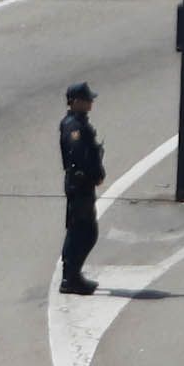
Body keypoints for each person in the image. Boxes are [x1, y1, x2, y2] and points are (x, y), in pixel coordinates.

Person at [56, 78, 102, 294]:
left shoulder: (79, 123)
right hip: (79, 185)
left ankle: (73, 275)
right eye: (86, 100)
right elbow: (77, 157)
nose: (90, 104)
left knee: (85, 231)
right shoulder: (73, 126)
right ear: (74, 102)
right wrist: (89, 174)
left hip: (83, 184)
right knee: (81, 231)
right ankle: (70, 278)